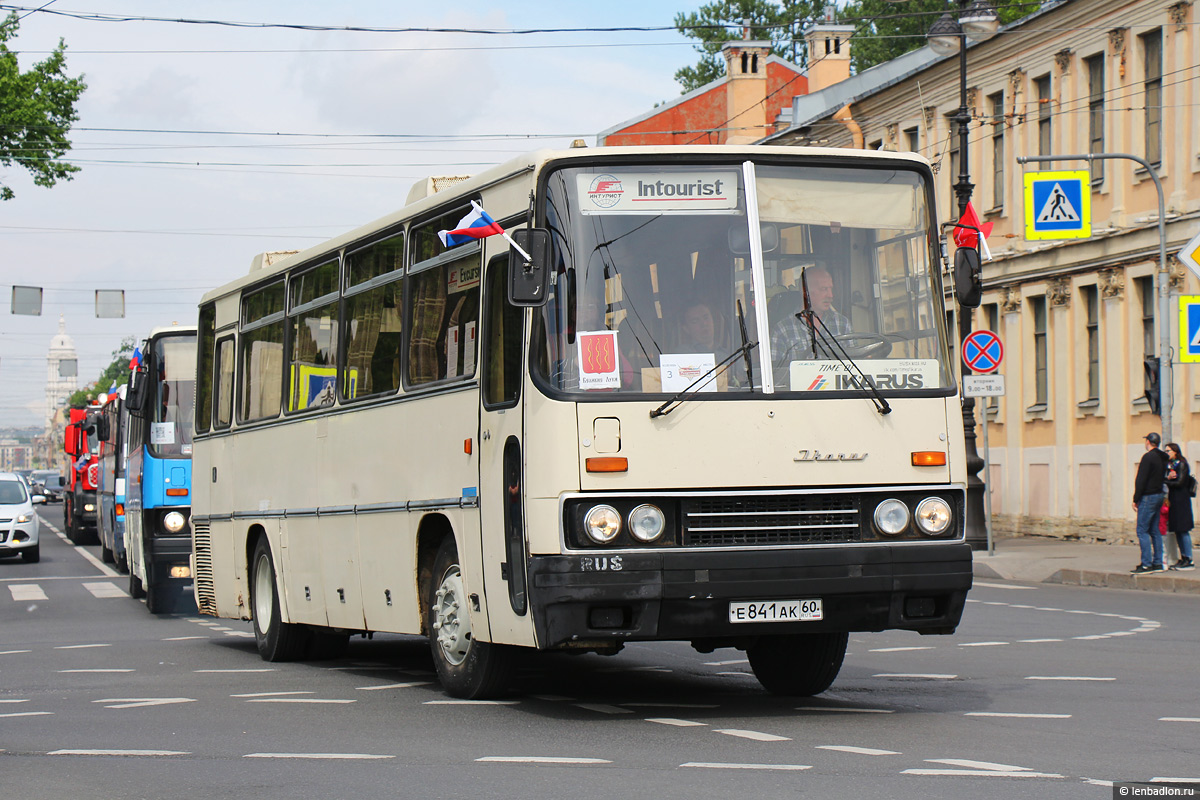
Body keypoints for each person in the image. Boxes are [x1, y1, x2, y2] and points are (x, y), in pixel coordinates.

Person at [769, 265, 851, 384]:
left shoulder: (843, 325)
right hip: (800, 398)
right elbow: (775, 378)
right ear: (805, 291)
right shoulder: (782, 330)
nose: (830, 295)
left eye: (831, 289)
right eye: (824, 289)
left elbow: (854, 367)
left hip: (838, 396)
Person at [1131, 432, 1169, 574]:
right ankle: (1158, 562)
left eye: (1145, 440)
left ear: (1148, 442)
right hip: (1159, 495)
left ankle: (1146, 564)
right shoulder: (1162, 457)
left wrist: (1136, 499)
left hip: (1148, 496)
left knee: (1142, 530)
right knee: (1155, 530)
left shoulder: (1148, 457)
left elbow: (1141, 479)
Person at [1163, 442, 1195, 570]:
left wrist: (1166, 480)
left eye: (1168, 451)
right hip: (1173, 501)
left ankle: (1189, 558)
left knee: (1183, 529)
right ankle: (1183, 557)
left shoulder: (1181, 464)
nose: (1167, 453)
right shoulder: (1170, 465)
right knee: (1177, 530)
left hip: (1181, 501)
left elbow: (1179, 483)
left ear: (1175, 451)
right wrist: (1167, 477)